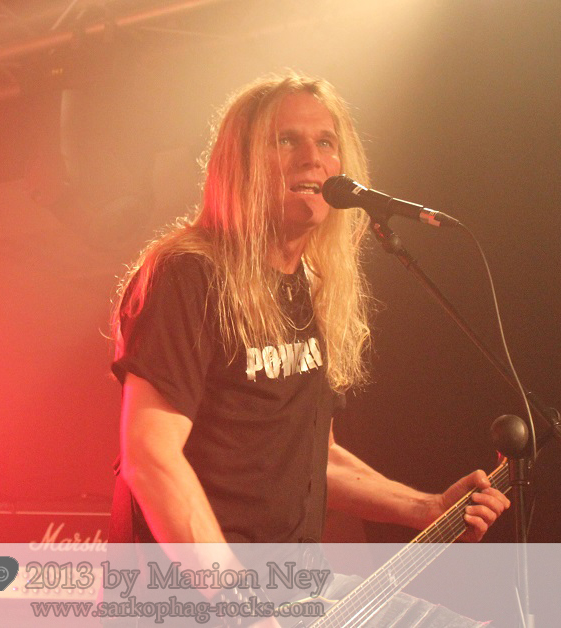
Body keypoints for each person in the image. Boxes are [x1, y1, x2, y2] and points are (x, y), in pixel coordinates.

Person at [108, 72, 509, 625]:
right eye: (286, 140)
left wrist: (426, 508)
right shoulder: (189, 274)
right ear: (240, 164)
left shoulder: (309, 287)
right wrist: (238, 605)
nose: (312, 158)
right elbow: (150, 456)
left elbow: (310, 454)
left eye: (325, 142)